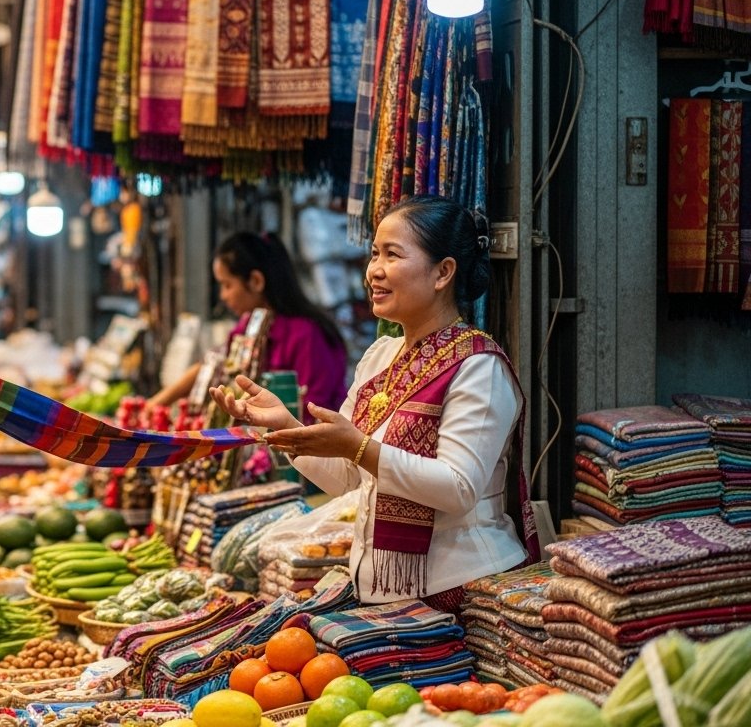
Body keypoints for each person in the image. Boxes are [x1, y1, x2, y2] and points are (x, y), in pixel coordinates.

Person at [211, 196, 539, 611]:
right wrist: (283, 426)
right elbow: (349, 478)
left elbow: (458, 488)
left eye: (392, 255)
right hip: (385, 593)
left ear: (443, 272)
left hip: (460, 591)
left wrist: (359, 447)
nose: (374, 271)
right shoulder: (381, 356)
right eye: (373, 253)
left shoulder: (478, 366)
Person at [151, 232, 348, 419]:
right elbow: (211, 365)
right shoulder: (247, 328)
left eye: (227, 285)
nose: (223, 296)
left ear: (255, 281)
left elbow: (312, 414)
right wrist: (154, 405)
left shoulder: (308, 336)